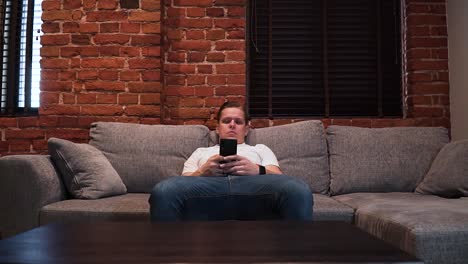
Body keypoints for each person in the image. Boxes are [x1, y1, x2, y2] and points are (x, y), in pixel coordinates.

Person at [149, 101, 313, 221]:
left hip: (254, 188)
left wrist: (257, 170)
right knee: (164, 190)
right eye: (226, 121)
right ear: (218, 128)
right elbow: (181, 184)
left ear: (247, 129)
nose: (232, 125)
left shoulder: (260, 149)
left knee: (298, 189)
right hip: (209, 189)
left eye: (238, 122)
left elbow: (279, 178)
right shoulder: (202, 152)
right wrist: (203, 172)